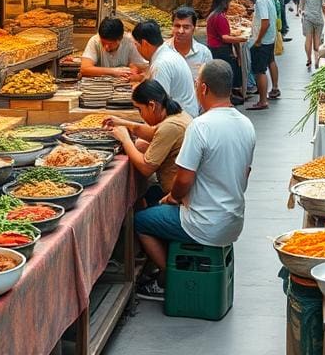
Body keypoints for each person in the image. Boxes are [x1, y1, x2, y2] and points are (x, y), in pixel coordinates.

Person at [134, 60, 256, 301]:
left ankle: (169, 277)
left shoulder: (200, 127)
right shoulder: (246, 125)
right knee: (158, 204)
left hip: (203, 223)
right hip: (233, 220)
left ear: (203, 88)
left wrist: (174, 197)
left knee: (140, 221)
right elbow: (245, 175)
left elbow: (184, 179)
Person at [103, 79, 190, 201]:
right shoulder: (178, 116)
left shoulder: (170, 126)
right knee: (141, 146)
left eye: (140, 109)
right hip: (180, 194)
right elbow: (153, 133)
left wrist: (125, 139)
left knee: (138, 219)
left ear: (152, 106)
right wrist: (121, 122)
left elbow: (146, 168)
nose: (140, 114)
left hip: (180, 200)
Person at [132, 20, 199, 117]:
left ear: (144, 43)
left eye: (136, 45)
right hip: (183, 116)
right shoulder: (166, 54)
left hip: (180, 121)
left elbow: (157, 107)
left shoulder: (161, 64)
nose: (137, 49)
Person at [206, 0, 248, 104]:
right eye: (229, 2)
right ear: (224, 3)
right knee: (227, 72)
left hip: (214, 47)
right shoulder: (219, 17)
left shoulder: (213, 15)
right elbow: (225, 38)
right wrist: (241, 39)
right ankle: (229, 97)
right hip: (220, 49)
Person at [246, 0, 278, 109]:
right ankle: (275, 88)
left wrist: (258, 40)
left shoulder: (261, 0)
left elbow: (265, 22)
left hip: (263, 40)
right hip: (270, 38)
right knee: (271, 61)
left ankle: (263, 101)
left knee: (259, 71)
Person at [79, 16, 147, 79]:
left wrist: (133, 72)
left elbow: (138, 68)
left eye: (110, 44)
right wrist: (113, 72)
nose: (106, 47)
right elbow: (84, 68)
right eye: (103, 43)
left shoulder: (130, 42)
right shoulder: (95, 40)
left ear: (120, 39)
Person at [166, 6, 212, 81]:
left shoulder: (204, 54)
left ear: (194, 28)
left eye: (186, 27)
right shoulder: (163, 51)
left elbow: (208, 82)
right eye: (177, 26)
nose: (180, 31)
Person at [298, 0, 325, 69]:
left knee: (310, 40)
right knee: (315, 41)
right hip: (315, 19)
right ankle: (314, 60)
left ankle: (310, 60)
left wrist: (302, 12)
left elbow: (300, 7)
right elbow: (324, 7)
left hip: (310, 19)